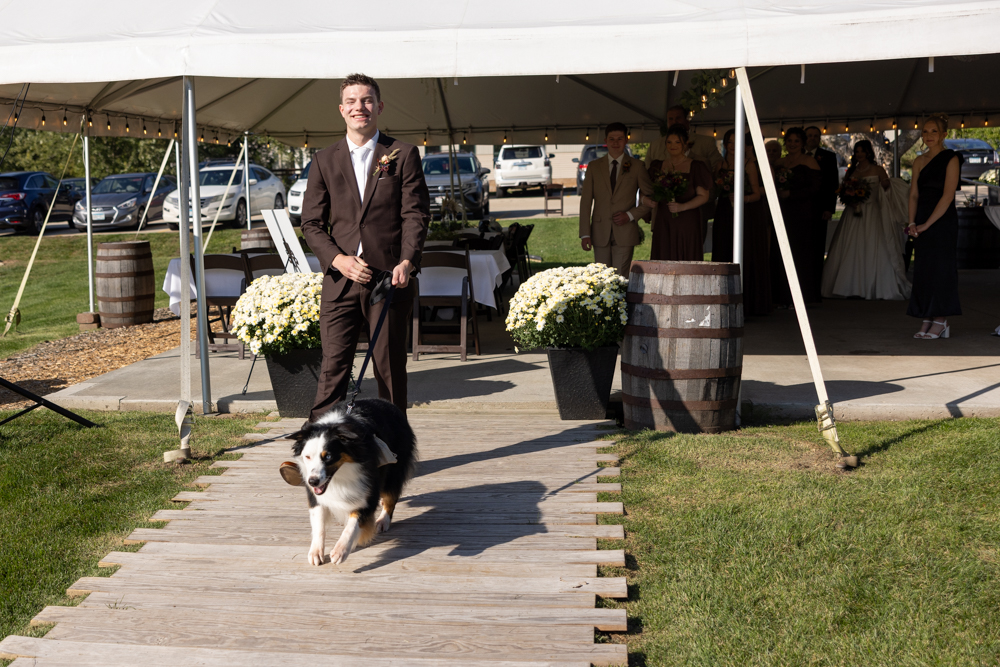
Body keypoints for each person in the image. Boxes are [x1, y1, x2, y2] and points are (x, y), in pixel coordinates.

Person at [301, 73, 430, 420]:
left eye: (367, 100)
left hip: (389, 279)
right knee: (333, 370)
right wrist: (338, 260)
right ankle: (318, 445)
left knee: (389, 370)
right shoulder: (323, 159)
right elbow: (311, 223)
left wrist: (408, 261)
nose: (360, 107)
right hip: (340, 281)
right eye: (352, 101)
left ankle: (393, 445)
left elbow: (415, 214)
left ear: (380, 106)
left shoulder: (403, 154)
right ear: (342, 109)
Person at [821, 140, 911, 300]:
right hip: (853, 213)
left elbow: (887, 189)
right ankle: (849, 286)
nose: (860, 154)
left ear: (869, 152)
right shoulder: (852, 170)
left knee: (873, 243)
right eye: (857, 151)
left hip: (873, 212)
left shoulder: (878, 169)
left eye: (862, 151)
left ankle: (874, 285)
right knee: (851, 245)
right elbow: (844, 190)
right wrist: (850, 198)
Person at [906, 113, 963, 339]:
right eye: (925, 131)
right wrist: (912, 222)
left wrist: (927, 224)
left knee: (941, 270)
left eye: (934, 131)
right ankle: (927, 317)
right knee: (924, 270)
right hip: (921, 221)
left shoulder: (952, 159)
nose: (929, 135)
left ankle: (941, 320)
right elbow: (913, 194)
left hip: (942, 221)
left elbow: (948, 196)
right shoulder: (918, 161)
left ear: (943, 135)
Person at [579, 122, 653, 277]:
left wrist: (630, 215)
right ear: (606, 140)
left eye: (620, 139)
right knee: (602, 278)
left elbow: (651, 198)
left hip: (625, 231)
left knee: (621, 278)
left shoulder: (637, 166)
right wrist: (585, 234)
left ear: (626, 140)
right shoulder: (593, 167)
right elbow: (585, 202)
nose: (615, 143)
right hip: (600, 231)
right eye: (612, 139)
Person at [711, 130, 771, 315]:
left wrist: (741, 199)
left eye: (736, 142)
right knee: (723, 250)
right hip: (724, 213)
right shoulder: (720, 165)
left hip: (745, 214)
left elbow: (757, 194)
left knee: (745, 253)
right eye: (729, 142)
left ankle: (747, 303)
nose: (732, 146)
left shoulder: (748, 164)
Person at [646, 105, 723, 241]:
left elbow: (718, 171)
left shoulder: (705, 143)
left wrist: (704, 198)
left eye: (678, 118)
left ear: (687, 119)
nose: (674, 121)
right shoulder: (656, 145)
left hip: (694, 214)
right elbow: (646, 181)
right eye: (670, 119)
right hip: (663, 214)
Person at [641, 124, 712, 261]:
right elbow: (645, 191)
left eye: (677, 142)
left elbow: (704, 196)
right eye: (669, 142)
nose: (672, 146)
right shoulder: (657, 166)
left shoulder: (696, 166)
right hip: (664, 219)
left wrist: (682, 206)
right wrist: (646, 200)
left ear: (685, 144)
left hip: (687, 221)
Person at [771, 127, 822, 305]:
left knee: (800, 253)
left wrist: (791, 194)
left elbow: (815, 189)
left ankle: (803, 297)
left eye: (796, 141)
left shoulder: (809, 161)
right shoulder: (780, 162)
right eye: (789, 141)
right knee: (781, 252)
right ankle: (782, 296)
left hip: (802, 213)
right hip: (783, 212)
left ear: (802, 143)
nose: (792, 144)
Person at [804, 125, 841, 264]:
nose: (812, 138)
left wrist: (829, 208)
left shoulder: (828, 157)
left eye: (815, 136)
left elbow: (833, 183)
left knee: (818, 242)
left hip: (820, 207)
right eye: (809, 135)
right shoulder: (795, 154)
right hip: (799, 206)